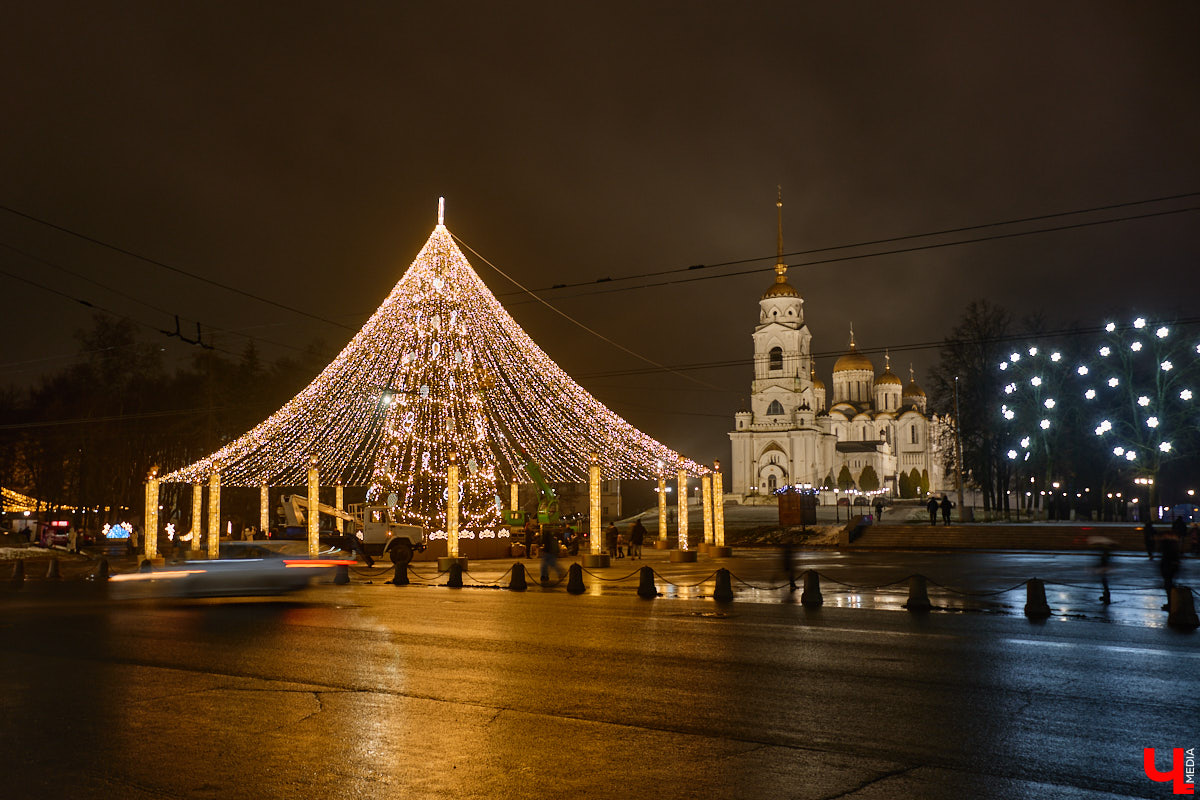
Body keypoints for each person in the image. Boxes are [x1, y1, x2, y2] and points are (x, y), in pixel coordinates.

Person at [1158, 523, 1182, 610]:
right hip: (1170, 567)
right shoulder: (1173, 544)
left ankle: (1171, 604)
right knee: (1169, 586)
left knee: (1169, 586)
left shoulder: (1168, 544)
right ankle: (1172, 603)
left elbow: (1168, 556)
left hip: (1168, 567)